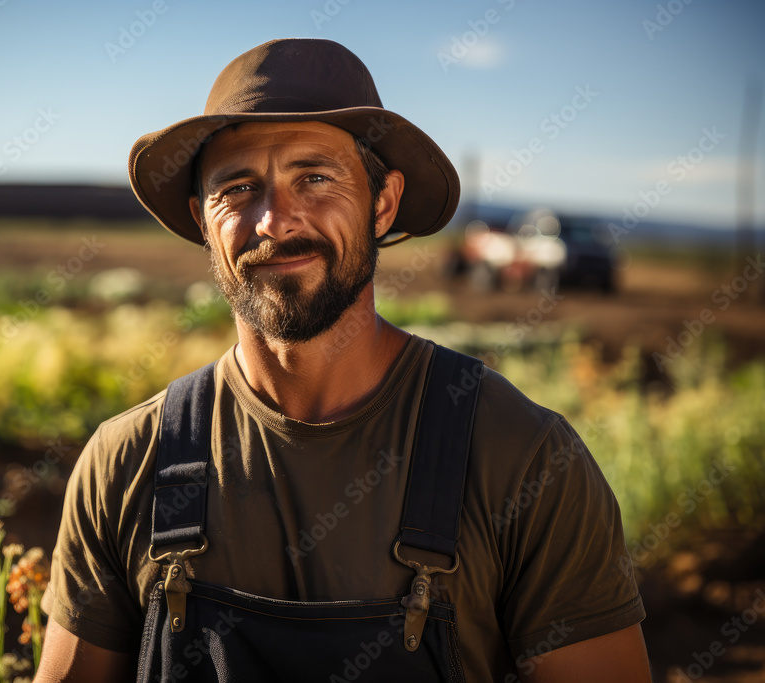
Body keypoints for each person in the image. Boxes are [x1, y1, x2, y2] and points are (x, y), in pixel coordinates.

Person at [35, 38, 651, 682]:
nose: (275, 220)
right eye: (238, 188)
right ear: (201, 220)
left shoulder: (521, 457)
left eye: (316, 178)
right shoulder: (127, 461)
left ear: (381, 205)